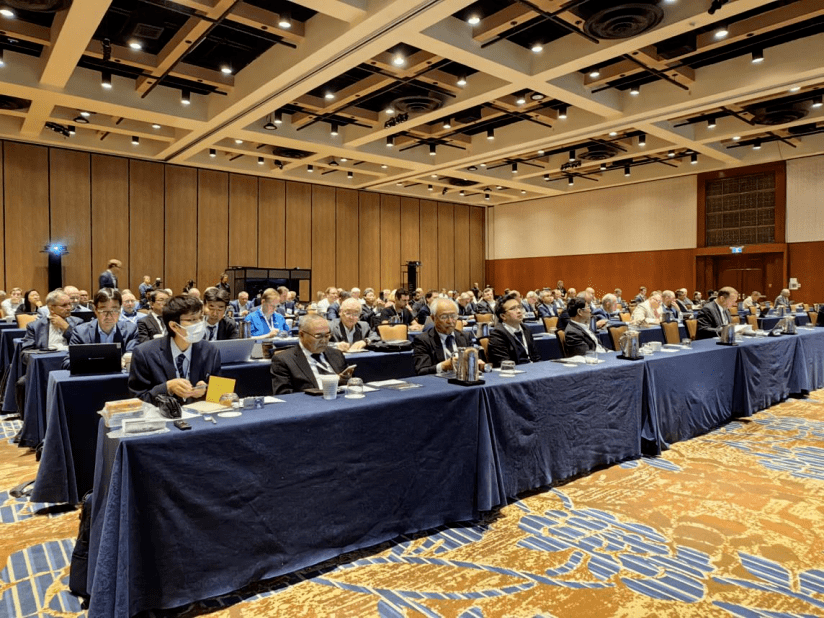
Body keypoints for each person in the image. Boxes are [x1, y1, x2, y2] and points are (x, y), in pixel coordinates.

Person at [128, 295, 221, 403]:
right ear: (174, 326)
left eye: (201, 318)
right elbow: (138, 400)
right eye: (192, 320)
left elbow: (219, 394)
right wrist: (167, 387)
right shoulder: (144, 353)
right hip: (162, 413)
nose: (200, 324)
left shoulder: (211, 350)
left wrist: (207, 390)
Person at [270, 313, 353, 395]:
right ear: (301, 335)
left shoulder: (336, 354)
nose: (324, 341)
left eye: (327, 335)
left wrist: (343, 381)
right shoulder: (284, 360)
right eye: (318, 336)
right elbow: (284, 395)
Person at [61, 288, 139, 370]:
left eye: (114, 310)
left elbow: (133, 356)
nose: (109, 316)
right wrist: (105, 364)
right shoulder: (81, 332)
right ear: (95, 310)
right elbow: (67, 362)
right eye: (103, 310)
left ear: (120, 310)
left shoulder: (130, 330)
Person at [412, 298, 479, 375]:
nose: (450, 321)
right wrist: (443, 366)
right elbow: (421, 370)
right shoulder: (423, 340)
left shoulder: (465, 336)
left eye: (453, 316)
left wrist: (477, 364)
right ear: (433, 318)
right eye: (444, 317)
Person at [487, 293, 541, 367]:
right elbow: (505, 363)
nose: (519, 311)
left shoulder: (526, 329)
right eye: (513, 309)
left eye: (519, 307)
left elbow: (536, 357)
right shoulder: (498, 334)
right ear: (503, 316)